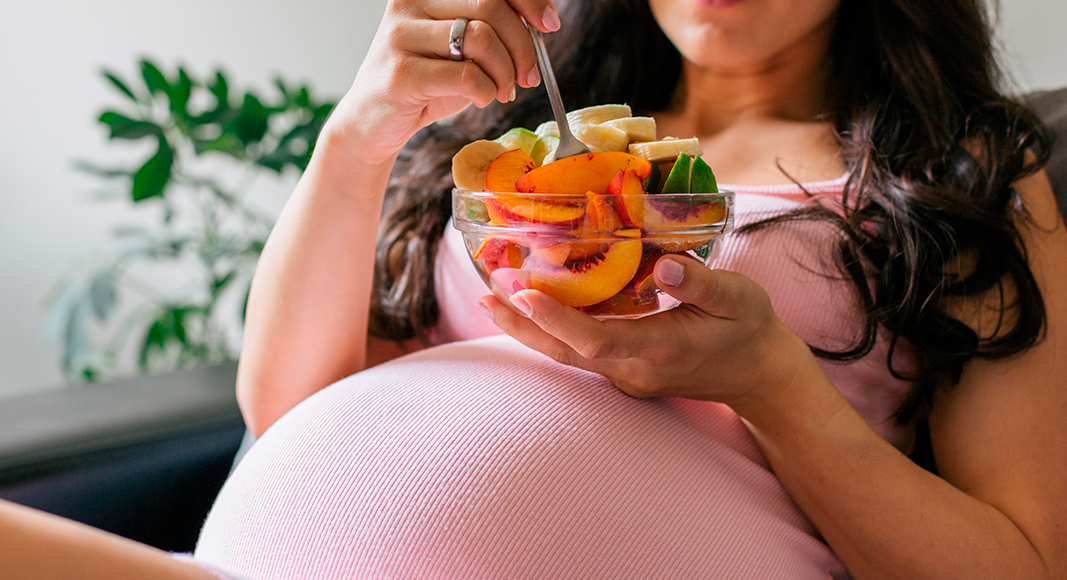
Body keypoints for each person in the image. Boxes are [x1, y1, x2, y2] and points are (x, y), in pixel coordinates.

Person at [2, 0, 1066, 578]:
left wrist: (772, 385)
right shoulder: (514, 139)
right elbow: (281, 409)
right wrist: (355, 137)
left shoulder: (960, 174)